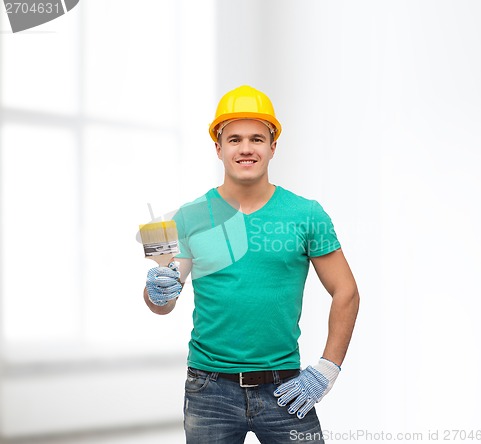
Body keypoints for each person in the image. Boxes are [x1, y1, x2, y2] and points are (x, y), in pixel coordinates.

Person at [143, 85, 360, 443]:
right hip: (209, 390)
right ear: (219, 148)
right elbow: (164, 303)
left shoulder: (306, 214)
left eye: (257, 138)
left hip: (286, 388)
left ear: (273, 147)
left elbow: (346, 291)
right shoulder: (190, 217)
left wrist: (328, 369)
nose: (246, 148)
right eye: (235, 139)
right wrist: (156, 291)